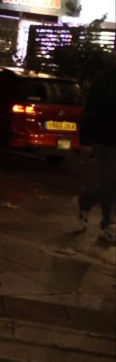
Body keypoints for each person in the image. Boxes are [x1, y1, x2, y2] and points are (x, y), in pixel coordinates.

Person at [78, 66, 116, 242]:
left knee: (111, 182)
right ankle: (107, 223)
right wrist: (86, 141)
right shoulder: (105, 82)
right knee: (110, 180)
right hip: (105, 141)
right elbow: (92, 111)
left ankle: (86, 202)